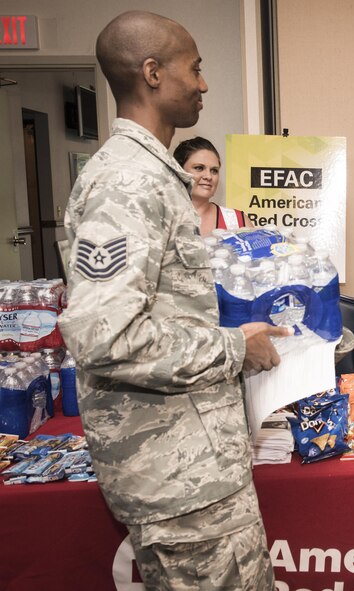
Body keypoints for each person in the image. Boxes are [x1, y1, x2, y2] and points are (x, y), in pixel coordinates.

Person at [58, 11, 289, 590]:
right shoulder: (127, 183)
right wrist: (236, 347)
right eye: (196, 68)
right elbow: (103, 337)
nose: (204, 84)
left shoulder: (153, 176)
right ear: (154, 73)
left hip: (193, 469)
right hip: (180, 481)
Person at [174, 136, 253, 236]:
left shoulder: (237, 222)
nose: (208, 176)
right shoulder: (161, 217)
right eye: (199, 168)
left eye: (214, 170)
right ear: (179, 171)